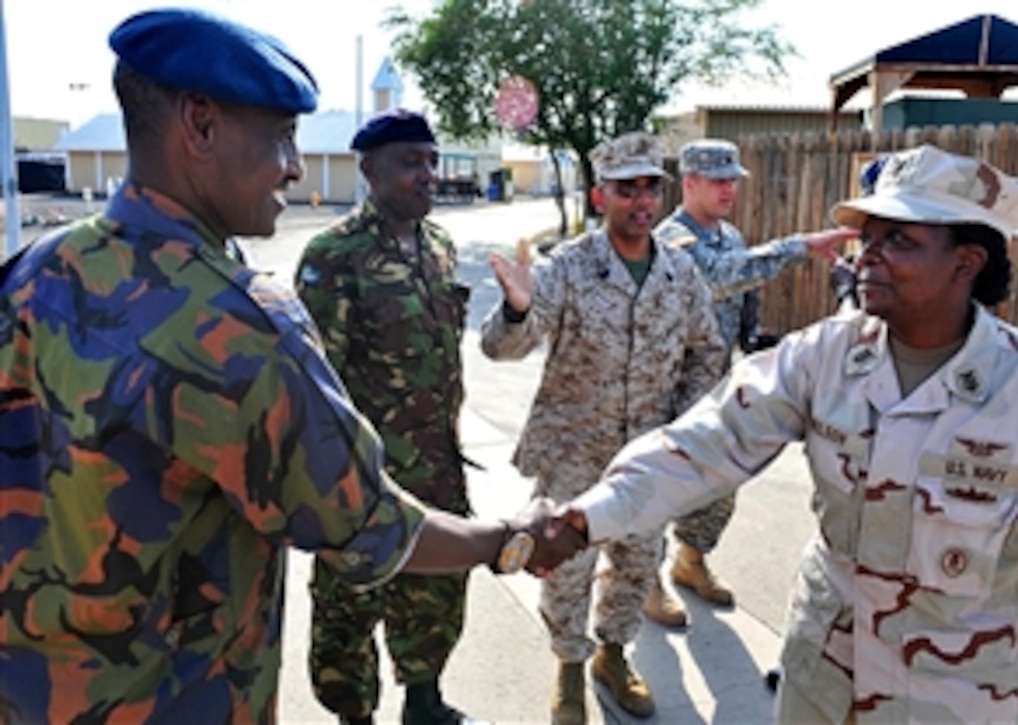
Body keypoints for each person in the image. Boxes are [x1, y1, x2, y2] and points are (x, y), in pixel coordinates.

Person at [0, 9, 581, 723]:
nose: (297, 165)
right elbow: (367, 523)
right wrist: (511, 539)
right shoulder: (238, 321)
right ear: (201, 125)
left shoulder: (36, 268)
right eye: (281, 135)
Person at [551, 144, 1018, 723]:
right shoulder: (826, 355)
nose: (866, 257)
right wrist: (582, 519)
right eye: (869, 237)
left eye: (898, 241)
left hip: (950, 700)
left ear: (966, 262)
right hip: (821, 682)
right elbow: (704, 443)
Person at [480, 131, 727, 723]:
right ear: (600, 197)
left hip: (649, 454)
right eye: (626, 189)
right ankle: (568, 666)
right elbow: (501, 347)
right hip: (572, 449)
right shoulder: (568, 266)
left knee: (637, 560)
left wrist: (685, 431)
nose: (641, 201)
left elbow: (707, 350)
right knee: (565, 568)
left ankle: (612, 655)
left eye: (650, 188)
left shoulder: (679, 272)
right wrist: (516, 307)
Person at [294, 110, 475, 725]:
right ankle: (355, 716)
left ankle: (425, 703)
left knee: (437, 595)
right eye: (409, 162)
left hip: (437, 467)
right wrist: (333, 488)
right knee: (347, 609)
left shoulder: (440, 247)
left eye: (431, 160)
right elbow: (317, 389)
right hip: (363, 479)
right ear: (369, 170)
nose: (426, 174)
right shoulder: (335, 256)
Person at [645, 139, 853, 627]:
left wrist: (755, 340)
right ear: (689, 183)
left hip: (719, 385)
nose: (728, 188)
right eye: (717, 180)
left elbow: (743, 297)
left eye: (732, 179)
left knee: (722, 481)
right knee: (661, 484)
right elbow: (719, 279)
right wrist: (799, 245)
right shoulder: (672, 239)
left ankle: (690, 559)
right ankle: (645, 580)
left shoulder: (731, 235)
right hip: (669, 390)